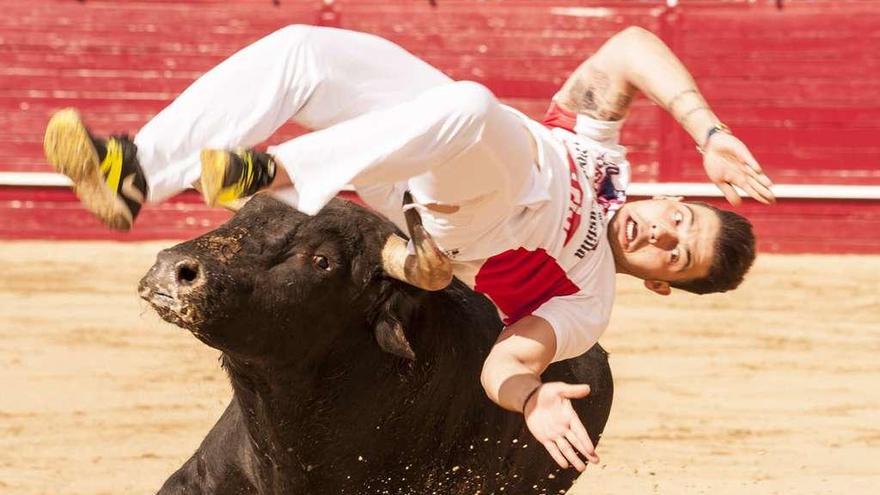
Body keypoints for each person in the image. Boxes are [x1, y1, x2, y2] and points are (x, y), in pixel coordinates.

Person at [44, 25, 775, 472]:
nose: (662, 233)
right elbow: (630, 48)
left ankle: (275, 171)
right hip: (428, 155)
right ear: (670, 199)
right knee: (307, 54)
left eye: (674, 255)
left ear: (658, 283)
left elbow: (504, 362)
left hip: (467, 213)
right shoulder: (601, 154)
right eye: (679, 218)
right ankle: (135, 170)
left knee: (471, 106)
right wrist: (709, 132)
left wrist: (532, 397)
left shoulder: (588, 298)